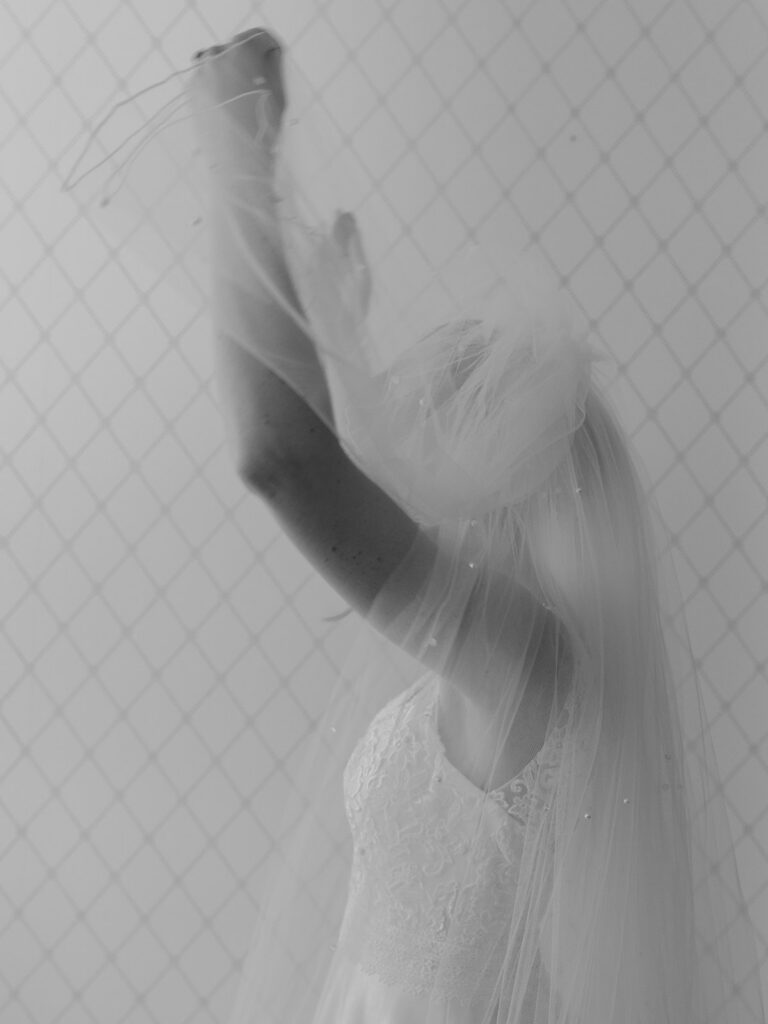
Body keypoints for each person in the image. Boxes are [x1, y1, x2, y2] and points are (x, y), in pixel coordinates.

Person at [65, 25, 767, 1024]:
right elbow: (333, 476)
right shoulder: (478, 659)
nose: (398, 458)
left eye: (420, 423)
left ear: (490, 471)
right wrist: (324, 328)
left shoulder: (519, 655)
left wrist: (240, 151)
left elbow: (287, 465)